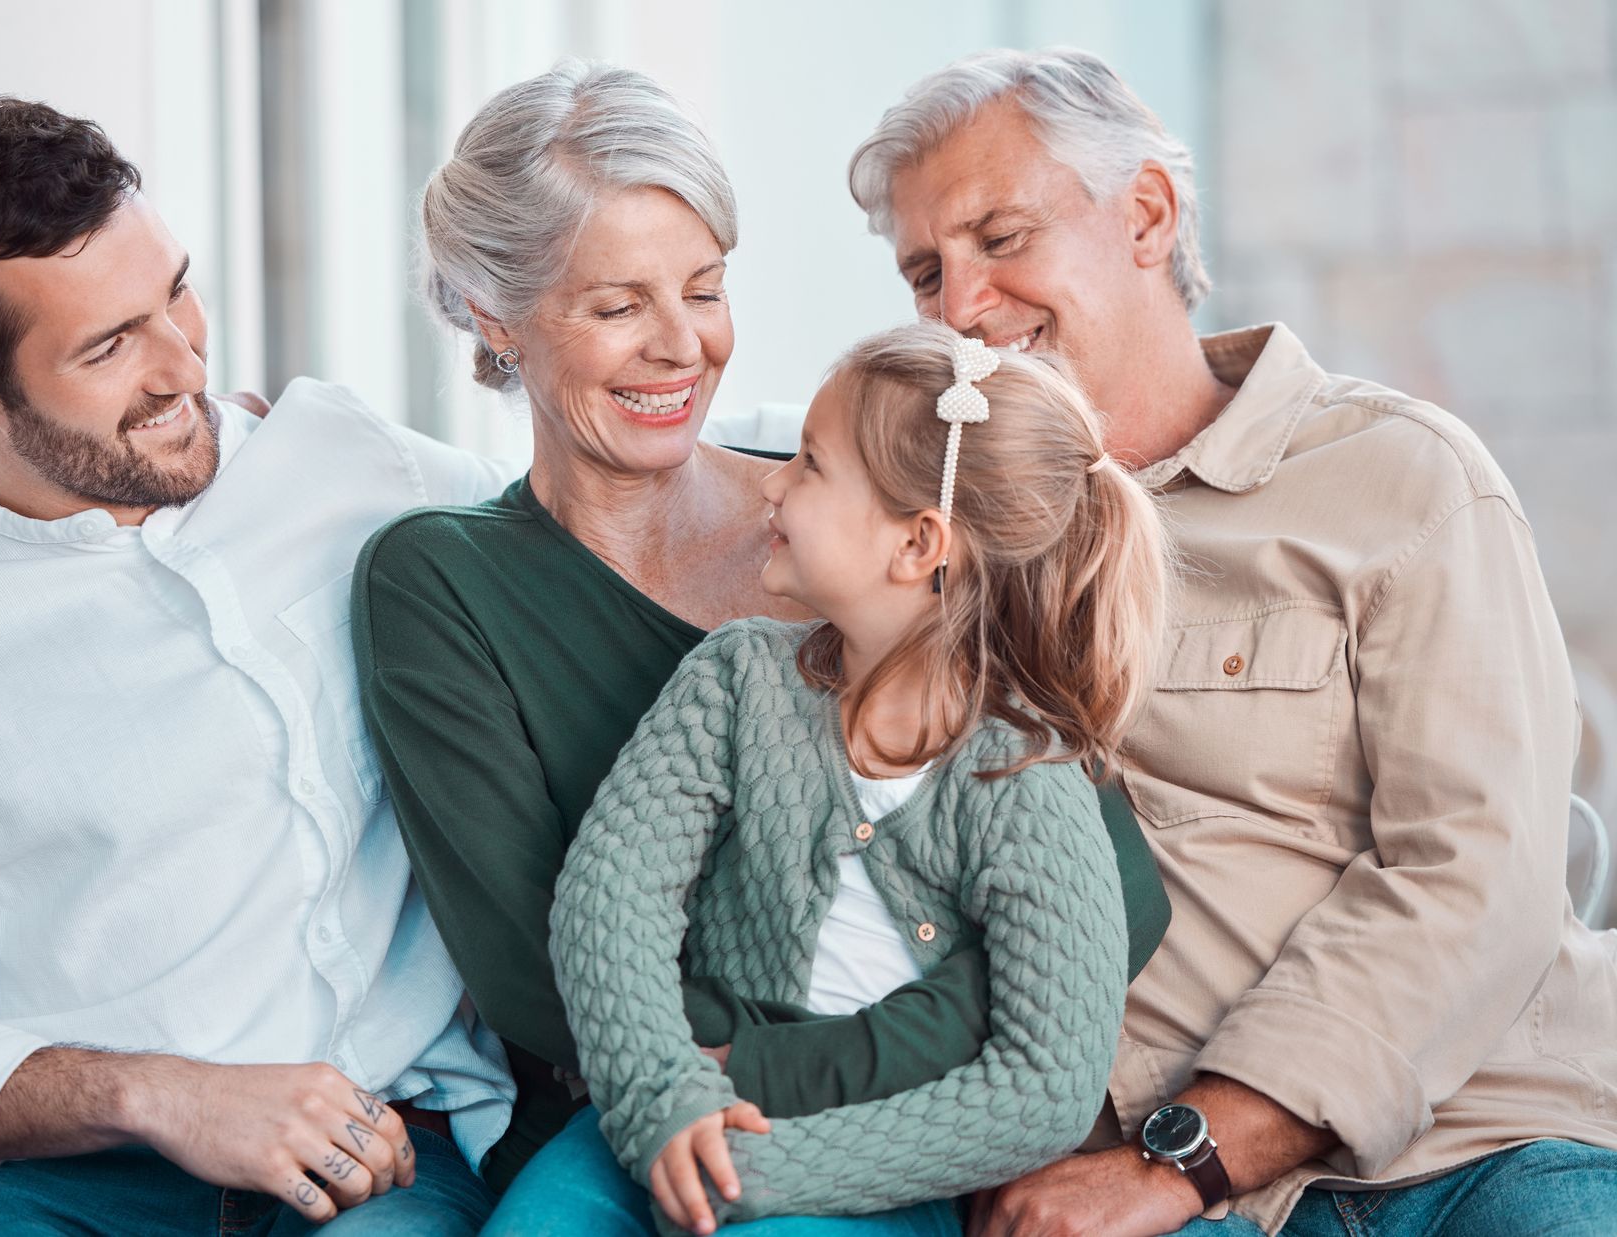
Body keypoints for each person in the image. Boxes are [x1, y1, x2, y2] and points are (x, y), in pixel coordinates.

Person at [350, 60, 1171, 1233]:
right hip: (634, 1117)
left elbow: (1112, 896)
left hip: (887, 1131)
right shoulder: (444, 582)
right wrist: (688, 1091)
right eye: (617, 305)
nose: (682, 347)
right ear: (495, 316)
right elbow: (547, 969)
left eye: (706, 288)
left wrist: (800, 1068)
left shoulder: (867, 507)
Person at [845, 48, 1617, 1237]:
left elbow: (1474, 873)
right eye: (924, 272)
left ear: (1146, 214)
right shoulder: (939, 555)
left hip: (1487, 1140)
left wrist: (1182, 1159)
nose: (960, 306)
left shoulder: (1405, 478)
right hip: (1163, 1197)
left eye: (1001, 239)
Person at [0, 94, 516, 1235]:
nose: (182, 363)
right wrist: (151, 1094)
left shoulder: (345, 463)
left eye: (174, 293)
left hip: (384, 1159)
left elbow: (599, 509)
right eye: (107, 345)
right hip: (72, 1188)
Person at [549, 322, 1171, 1236]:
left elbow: (1046, 1084)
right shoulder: (736, 680)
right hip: (667, 1112)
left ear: (919, 543)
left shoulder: (1024, 776)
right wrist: (665, 1100)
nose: (770, 482)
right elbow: (610, 900)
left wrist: (770, 1168)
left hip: (875, 1171)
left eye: (809, 463)